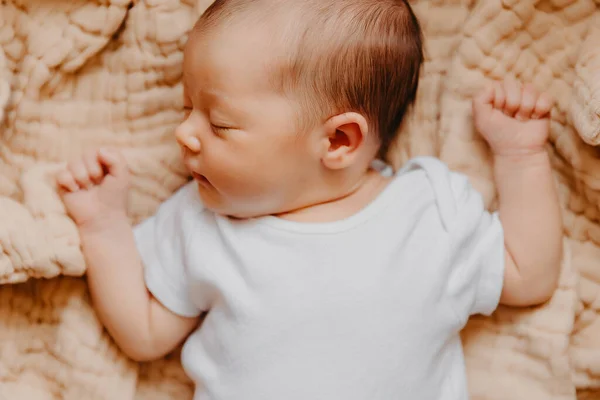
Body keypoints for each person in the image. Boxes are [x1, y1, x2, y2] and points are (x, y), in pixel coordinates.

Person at [55, 0, 563, 398]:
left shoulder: (427, 211)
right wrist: (103, 228)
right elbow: (144, 334)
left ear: (338, 141)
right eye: (187, 107)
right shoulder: (204, 220)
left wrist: (521, 157)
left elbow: (528, 272)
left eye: (219, 122)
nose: (183, 132)